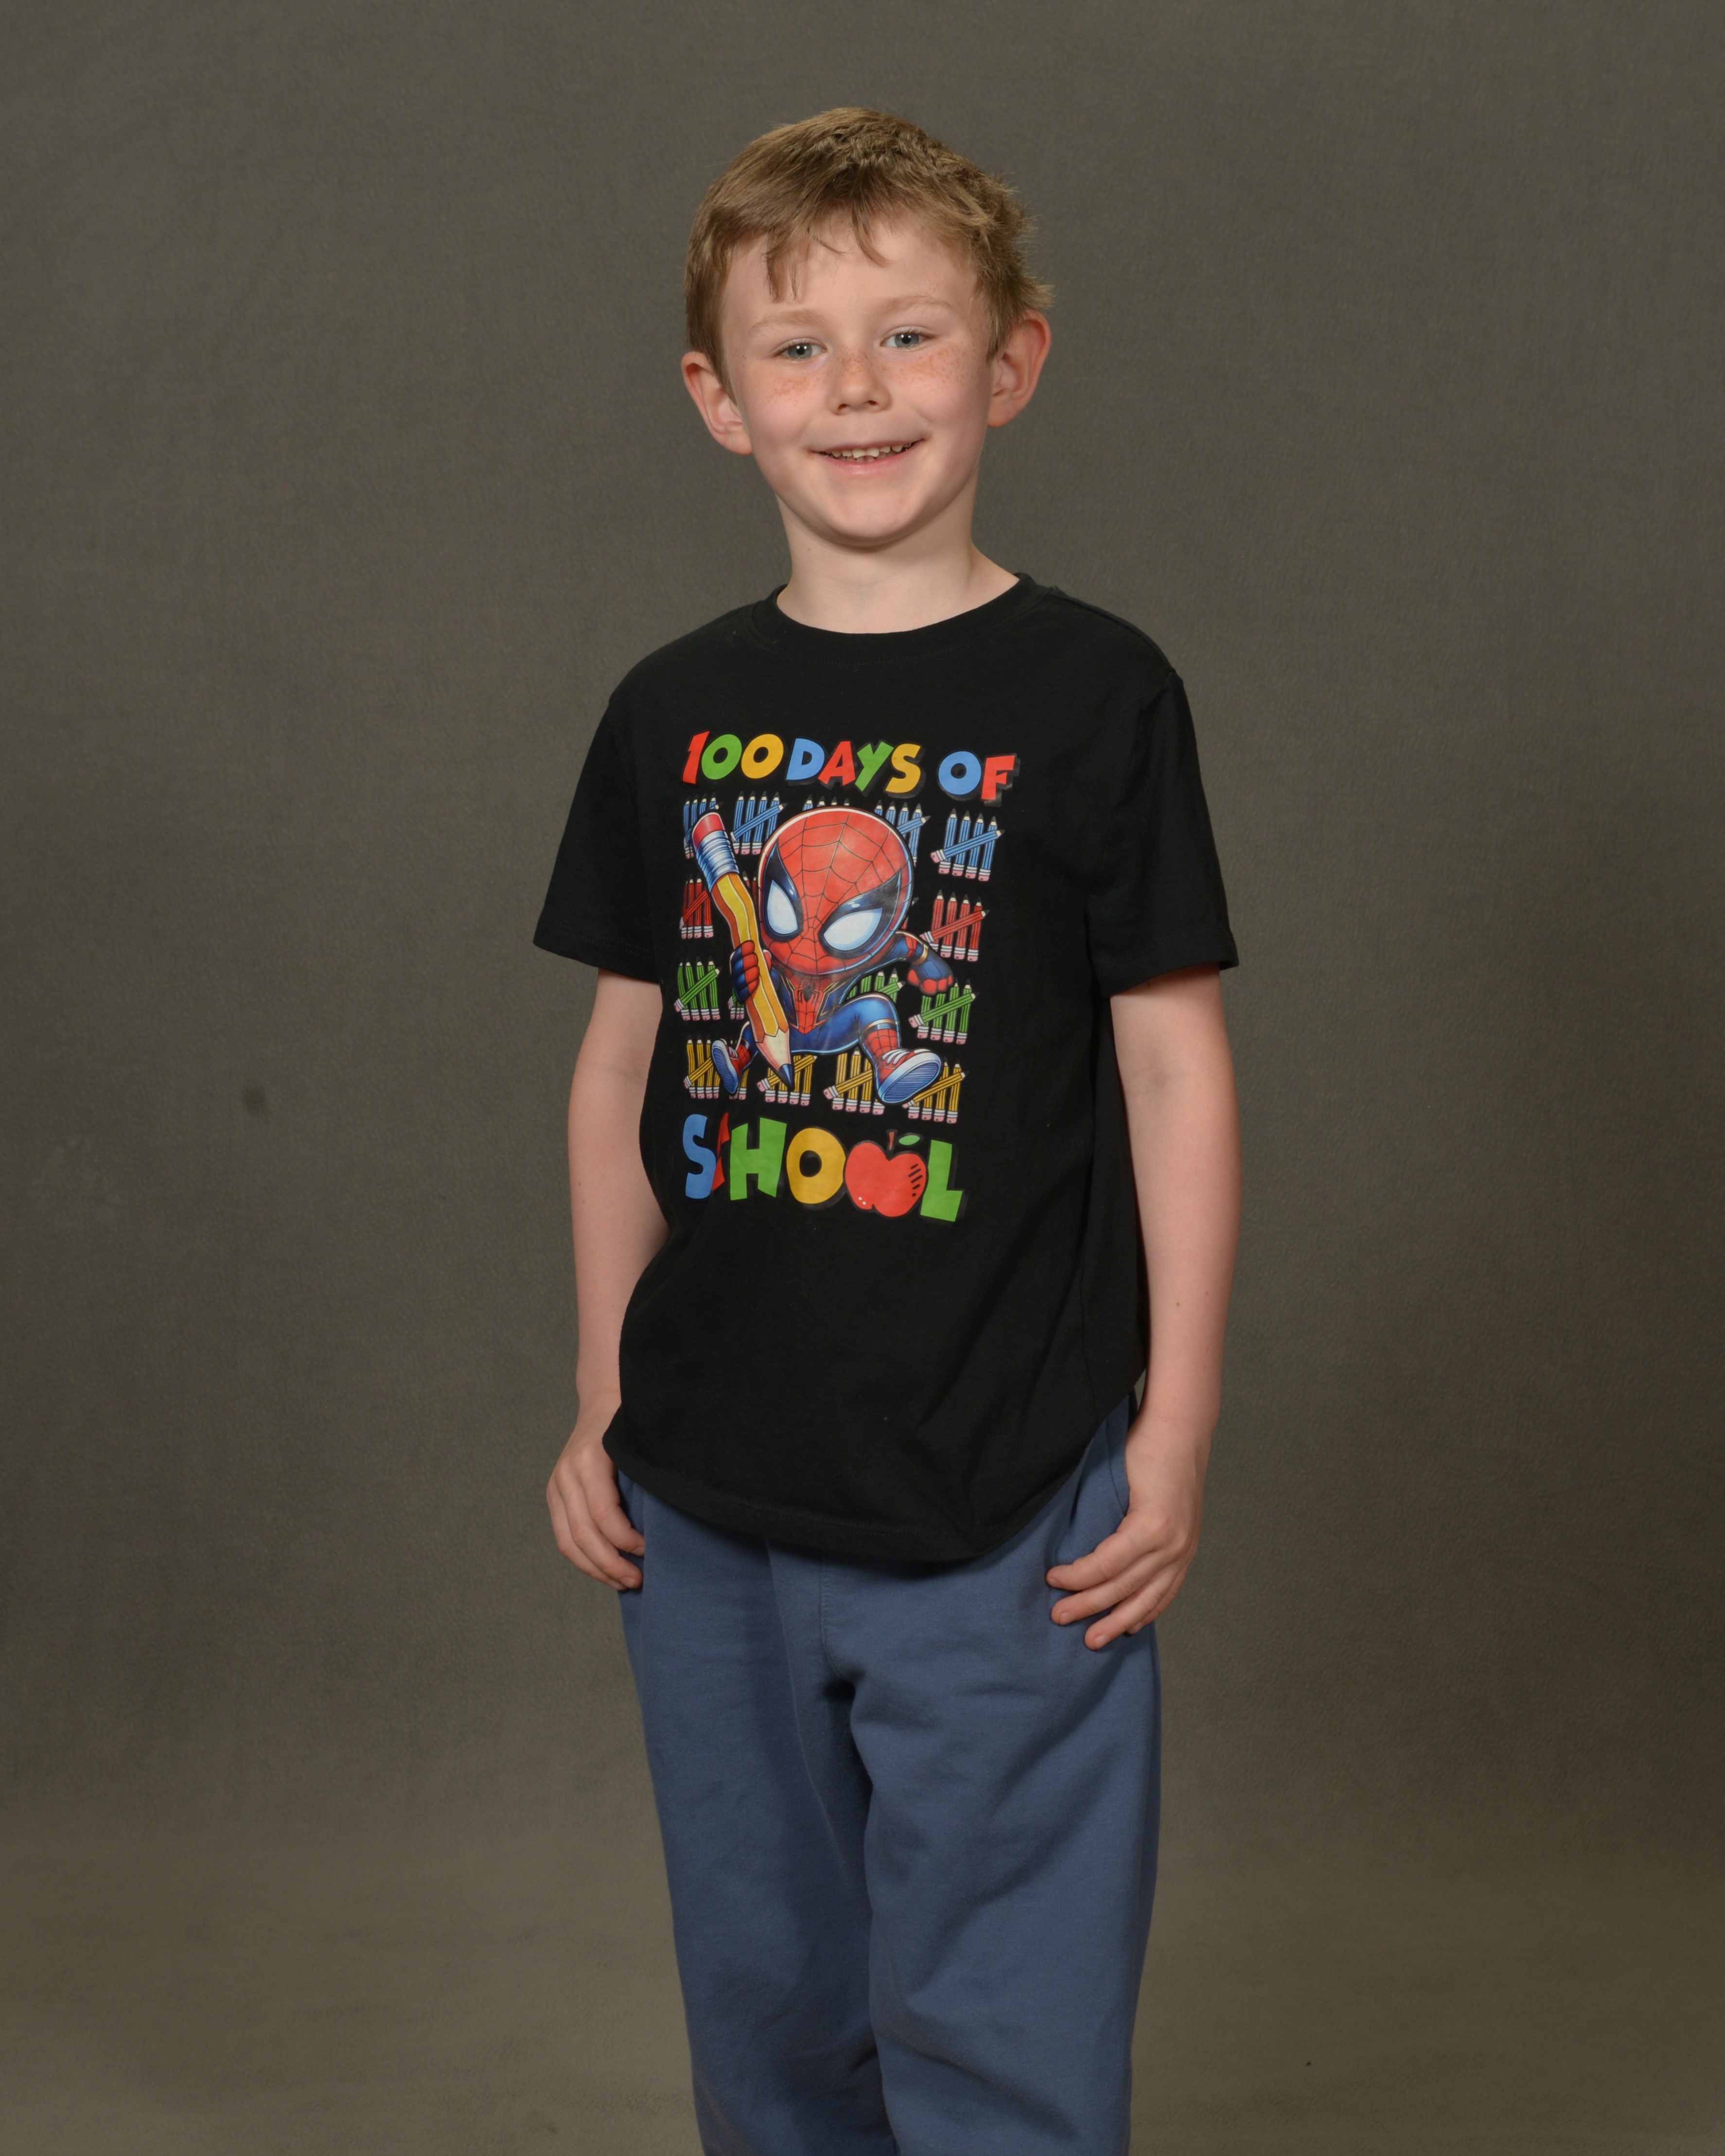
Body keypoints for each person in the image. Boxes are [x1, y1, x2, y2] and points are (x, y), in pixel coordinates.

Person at [535, 106, 1241, 2156]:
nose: (855, 388)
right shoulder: (669, 711)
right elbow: (616, 1073)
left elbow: (1174, 1072)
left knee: (1000, 2014)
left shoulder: (1096, 693)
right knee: (769, 2004)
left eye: (907, 336)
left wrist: (1176, 1422)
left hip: (1010, 1495)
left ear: (1010, 362)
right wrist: (601, 1389)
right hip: (709, 1498)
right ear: (718, 399)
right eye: (798, 346)